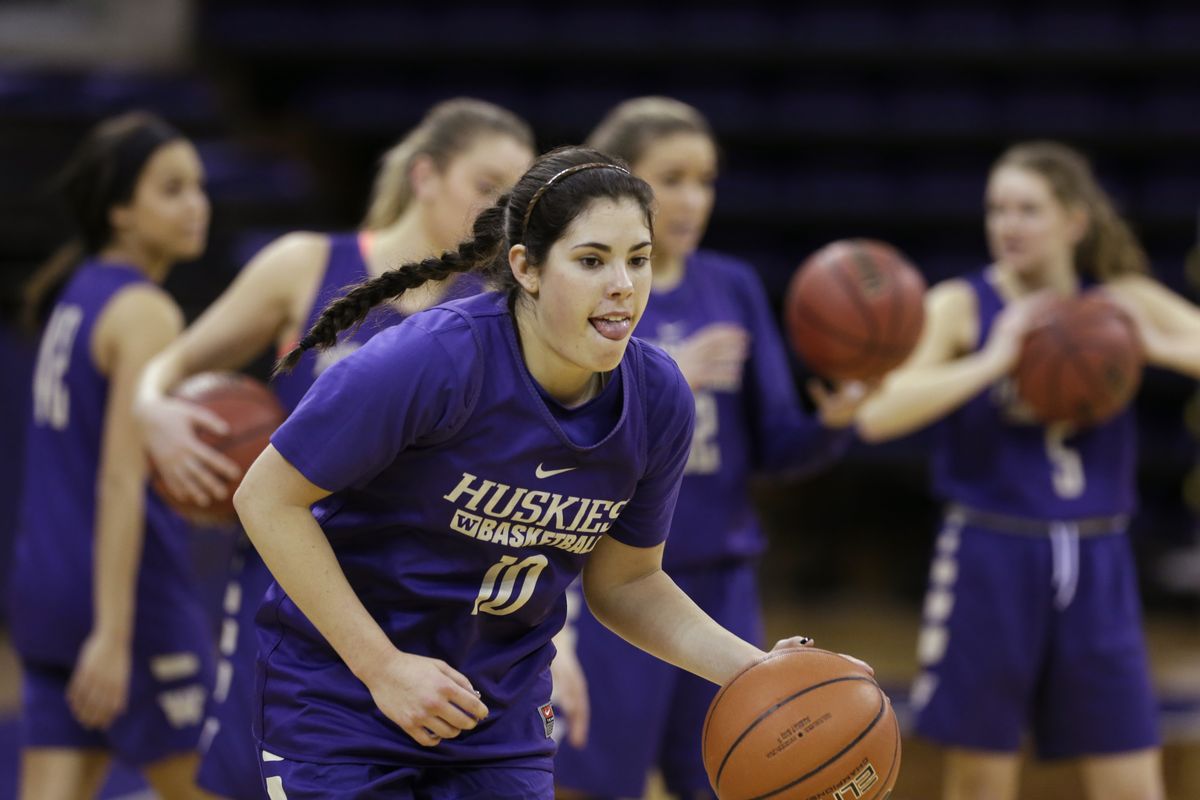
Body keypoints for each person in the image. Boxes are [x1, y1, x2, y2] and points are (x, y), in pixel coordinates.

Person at [234, 146, 845, 800]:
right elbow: (267, 498)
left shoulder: (659, 396)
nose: (623, 284)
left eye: (638, 259)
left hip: (496, 708)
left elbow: (628, 582)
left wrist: (756, 670)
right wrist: (383, 668)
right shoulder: (433, 361)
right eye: (591, 261)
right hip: (345, 694)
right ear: (525, 267)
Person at [134, 98, 534, 800]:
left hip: (434, 600)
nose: (497, 214)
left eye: (513, 200)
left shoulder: (503, 309)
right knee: (241, 781)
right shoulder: (307, 263)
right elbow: (169, 366)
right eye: (485, 187)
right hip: (293, 580)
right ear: (426, 175)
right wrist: (155, 412)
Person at [858, 141, 1200, 800]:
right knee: (982, 777)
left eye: (1028, 210)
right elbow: (878, 414)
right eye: (997, 209)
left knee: (1132, 779)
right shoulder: (963, 304)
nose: (1008, 224)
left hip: (1097, 555)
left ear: (1074, 221)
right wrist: (993, 360)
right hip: (992, 550)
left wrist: (1151, 344)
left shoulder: (1119, 299)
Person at [550, 97, 868, 800]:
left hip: (720, 580)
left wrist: (836, 420)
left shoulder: (734, 285)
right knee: (599, 785)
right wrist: (668, 376)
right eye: (673, 177)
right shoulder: (585, 293)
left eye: (706, 179)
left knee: (738, 778)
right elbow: (551, 442)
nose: (694, 199)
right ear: (620, 185)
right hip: (610, 587)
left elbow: (778, 450)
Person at [9, 111, 214, 800]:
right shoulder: (143, 311)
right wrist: (114, 633)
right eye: (173, 189)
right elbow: (120, 480)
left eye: (199, 186)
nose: (197, 205)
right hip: (125, 596)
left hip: (45, 582)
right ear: (122, 211)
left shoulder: (75, 292)